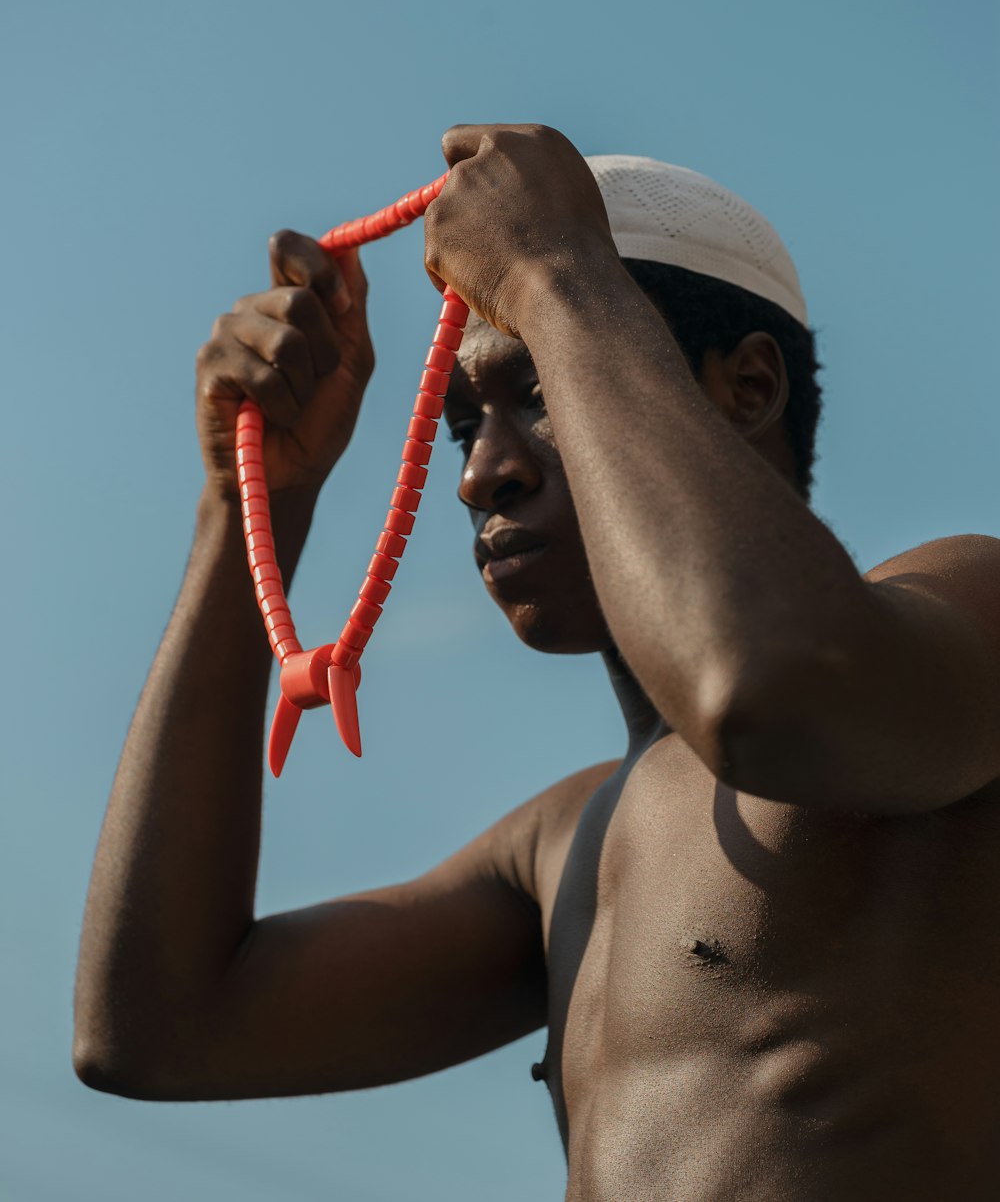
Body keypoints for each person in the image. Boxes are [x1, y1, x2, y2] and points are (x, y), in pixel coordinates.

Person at [74, 124, 1000, 1200]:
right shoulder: (562, 844)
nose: (479, 475)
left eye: (541, 391)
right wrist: (245, 512)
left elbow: (763, 690)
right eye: (463, 423)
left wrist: (554, 271)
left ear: (747, 389)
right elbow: (157, 1028)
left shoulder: (961, 611)